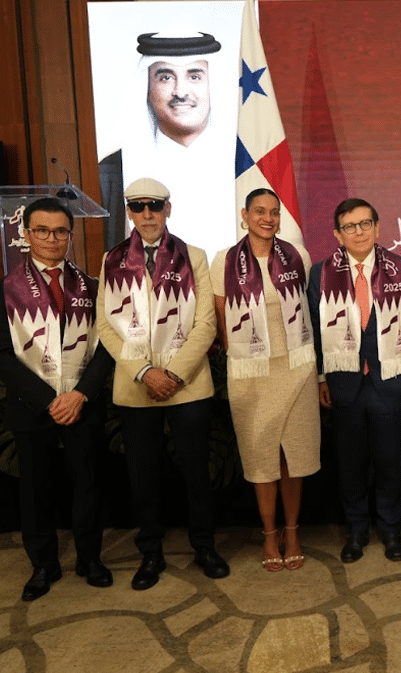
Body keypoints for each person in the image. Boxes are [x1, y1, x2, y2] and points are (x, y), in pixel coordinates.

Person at [97, 177, 229, 590]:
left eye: (155, 205)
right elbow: (105, 324)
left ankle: (204, 546)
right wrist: (144, 372)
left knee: (195, 471)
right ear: (131, 212)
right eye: (138, 207)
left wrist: (172, 374)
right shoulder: (112, 259)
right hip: (136, 388)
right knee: (143, 475)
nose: (148, 214)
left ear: (168, 208)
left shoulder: (194, 255)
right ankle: (150, 552)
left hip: (187, 385)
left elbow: (207, 322)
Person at [0, 198, 114, 601]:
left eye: (61, 231)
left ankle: (90, 558)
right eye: (43, 231)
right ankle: (43, 565)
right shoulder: (6, 291)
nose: (52, 239)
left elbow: (107, 348)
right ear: (26, 234)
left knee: (88, 484)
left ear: (70, 234)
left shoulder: (92, 288)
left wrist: (81, 393)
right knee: (36, 489)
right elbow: (2, 356)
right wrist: (49, 399)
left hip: (82, 402)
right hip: (34, 407)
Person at [212, 189, 320, 571]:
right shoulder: (223, 260)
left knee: (293, 453)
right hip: (251, 372)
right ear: (245, 215)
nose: (268, 218)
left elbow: (310, 309)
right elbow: (221, 318)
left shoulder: (298, 256)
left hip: (297, 366)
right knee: (262, 455)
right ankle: (269, 534)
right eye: (260, 211)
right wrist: (244, 355)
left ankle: (292, 531)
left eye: (274, 212)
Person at [308, 198, 401, 563]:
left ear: (378, 227)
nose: (359, 231)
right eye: (350, 226)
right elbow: (314, 332)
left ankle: (391, 529)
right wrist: (321, 375)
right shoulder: (320, 273)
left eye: (365, 223)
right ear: (338, 234)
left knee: (390, 460)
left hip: (390, 381)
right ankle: (356, 530)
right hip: (344, 382)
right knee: (350, 463)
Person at [98, 31, 234, 254]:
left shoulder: (246, 161)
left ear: (214, 85)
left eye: (195, 76)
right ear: (147, 88)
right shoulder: (112, 170)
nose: (180, 92)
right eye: (166, 77)